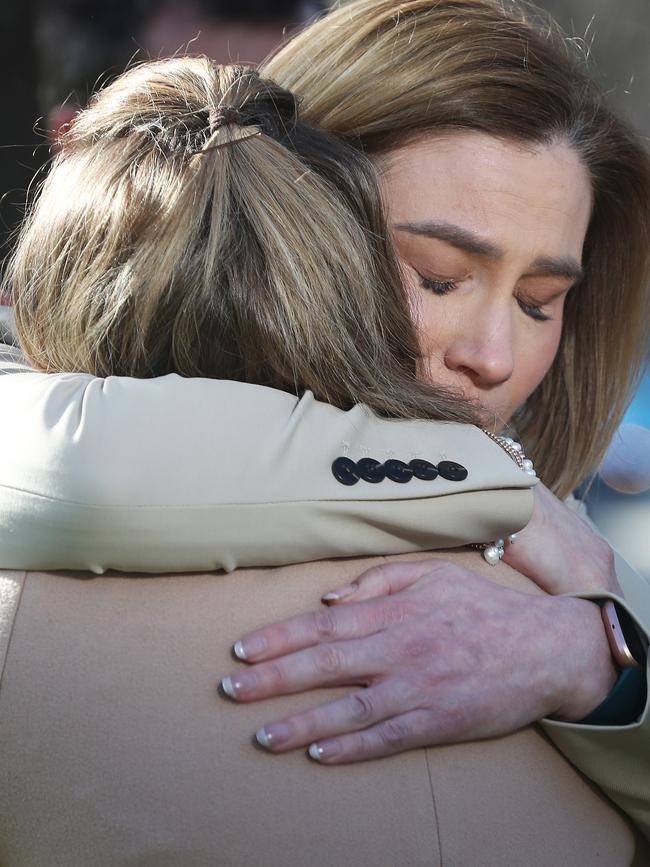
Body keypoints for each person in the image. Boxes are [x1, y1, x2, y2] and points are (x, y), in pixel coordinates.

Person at [0, 55, 643, 865]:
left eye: (539, 302)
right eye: (439, 279)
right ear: (290, 213)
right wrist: (499, 491)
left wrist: (606, 666)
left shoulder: (563, 556)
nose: (493, 355)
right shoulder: (523, 516)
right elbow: (82, 463)